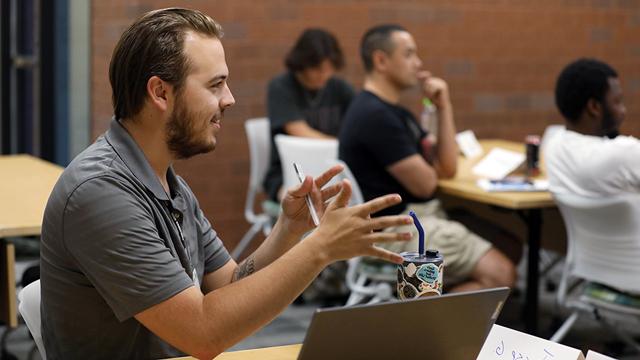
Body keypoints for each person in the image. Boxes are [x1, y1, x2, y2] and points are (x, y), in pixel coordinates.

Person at [40, 9, 413, 359]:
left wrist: (289, 230)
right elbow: (203, 333)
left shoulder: (169, 185)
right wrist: (320, 248)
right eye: (216, 84)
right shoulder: (101, 192)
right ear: (160, 93)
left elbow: (229, 285)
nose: (229, 99)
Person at [339, 24, 516, 292]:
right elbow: (426, 185)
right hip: (394, 229)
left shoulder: (396, 113)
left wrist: (444, 107)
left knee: (511, 244)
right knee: (501, 274)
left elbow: (446, 168)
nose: (418, 63)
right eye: (409, 54)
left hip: (418, 217)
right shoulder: (375, 117)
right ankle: (429, 325)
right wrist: (431, 168)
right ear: (381, 60)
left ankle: (457, 303)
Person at [262, 28, 355, 202]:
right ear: (303, 63)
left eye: (330, 69)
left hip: (332, 168)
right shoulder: (281, 87)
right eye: (318, 69)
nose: (324, 75)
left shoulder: (340, 88)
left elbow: (357, 126)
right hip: (288, 171)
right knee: (299, 200)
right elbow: (298, 130)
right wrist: (341, 146)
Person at [546, 58, 636, 195]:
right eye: (617, 101)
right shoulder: (625, 153)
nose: (623, 110)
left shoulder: (553, 147)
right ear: (594, 107)